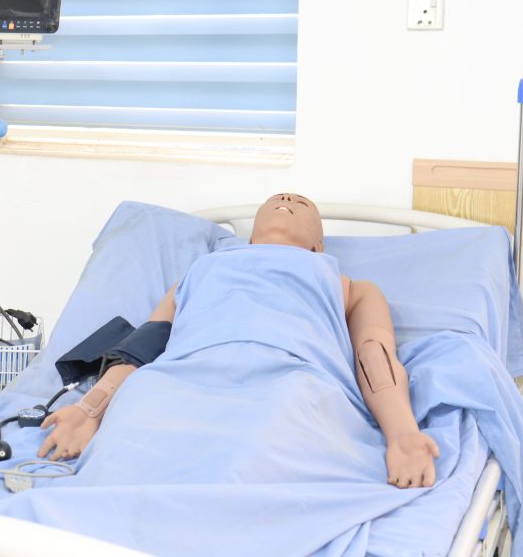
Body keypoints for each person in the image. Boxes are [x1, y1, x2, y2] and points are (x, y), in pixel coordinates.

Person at [37, 193, 441, 490]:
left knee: (267, 444)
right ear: (249, 242)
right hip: (177, 382)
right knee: (133, 441)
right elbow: (144, 346)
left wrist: (402, 434)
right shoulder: (201, 271)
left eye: (301, 204)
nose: (286, 199)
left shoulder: (347, 285)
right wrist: (88, 410)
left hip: (289, 381)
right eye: (277, 200)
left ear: (319, 247)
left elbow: (375, 359)